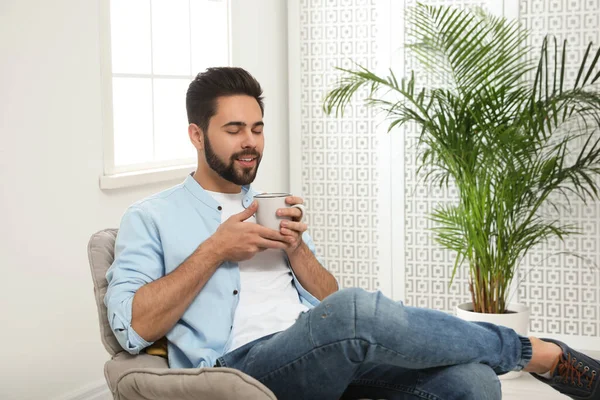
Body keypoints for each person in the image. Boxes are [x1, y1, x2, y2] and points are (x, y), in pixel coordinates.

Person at [105, 67, 599, 400]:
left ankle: (521, 356)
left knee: (471, 383)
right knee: (356, 310)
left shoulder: (271, 207)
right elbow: (131, 329)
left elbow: (330, 301)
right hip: (243, 364)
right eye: (234, 129)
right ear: (197, 135)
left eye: (257, 128)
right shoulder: (150, 218)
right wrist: (215, 249)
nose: (250, 142)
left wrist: (297, 251)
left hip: (318, 350)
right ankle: (536, 353)